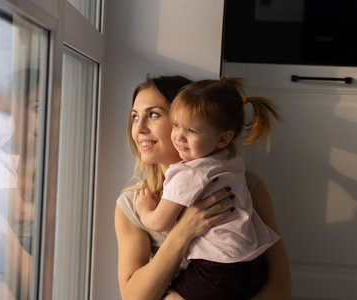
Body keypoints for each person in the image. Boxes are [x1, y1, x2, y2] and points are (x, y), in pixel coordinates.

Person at [115, 75, 291, 300]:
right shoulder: (132, 205)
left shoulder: (246, 186)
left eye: (153, 114)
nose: (139, 128)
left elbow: (281, 287)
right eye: (134, 116)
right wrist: (183, 231)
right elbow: (133, 298)